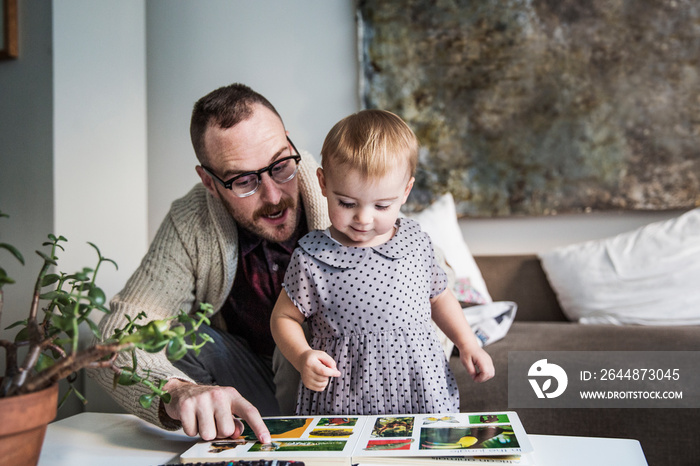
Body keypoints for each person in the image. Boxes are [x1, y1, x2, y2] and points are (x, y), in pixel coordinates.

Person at [91, 83, 330, 443]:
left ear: (291, 145)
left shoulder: (337, 185)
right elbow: (115, 339)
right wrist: (177, 391)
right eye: (244, 180)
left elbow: (427, 276)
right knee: (181, 333)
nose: (273, 195)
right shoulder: (191, 221)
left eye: (281, 165)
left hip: (343, 379)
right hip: (256, 392)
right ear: (209, 181)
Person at [270, 109, 494, 415]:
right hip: (342, 399)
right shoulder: (312, 257)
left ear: (405, 192)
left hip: (419, 390)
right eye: (347, 203)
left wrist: (468, 343)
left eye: (382, 205)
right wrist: (302, 356)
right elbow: (284, 318)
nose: (363, 218)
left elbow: (440, 296)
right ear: (323, 183)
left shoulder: (415, 243)